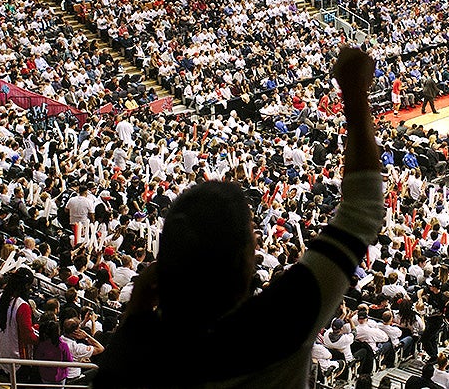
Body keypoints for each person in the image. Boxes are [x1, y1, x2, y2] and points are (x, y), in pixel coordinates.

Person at [95, 47, 384, 387]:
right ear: (245, 261)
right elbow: (361, 212)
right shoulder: (275, 322)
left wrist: (136, 316)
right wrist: (354, 90)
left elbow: (360, 212)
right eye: (250, 236)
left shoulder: (134, 357)